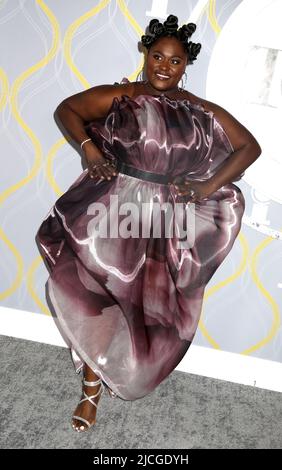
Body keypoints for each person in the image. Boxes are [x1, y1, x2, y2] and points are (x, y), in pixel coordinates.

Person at [36, 14, 261, 433]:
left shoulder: (198, 109)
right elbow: (67, 109)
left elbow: (250, 147)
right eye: (158, 55)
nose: (164, 66)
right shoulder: (121, 96)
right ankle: (90, 390)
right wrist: (89, 150)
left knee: (143, 310)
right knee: (98, 300)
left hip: (163, 222)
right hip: (113, 211)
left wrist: (206, 185)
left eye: (175, 61)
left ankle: (124, 370)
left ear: (185, 66)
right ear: (146, 53)